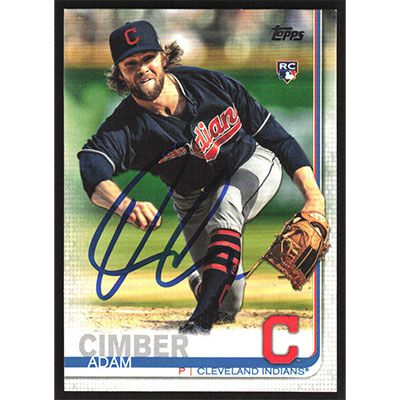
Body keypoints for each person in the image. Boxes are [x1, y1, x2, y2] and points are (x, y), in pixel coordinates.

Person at [78, 21, 326, 334]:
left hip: (251, 165)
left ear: (163, 57)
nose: (142, 69)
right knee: (228, 302)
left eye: (148, 58)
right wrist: (123, 204)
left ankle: (200, 319)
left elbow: (279, 138)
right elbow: (91, 164)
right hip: (191, 198)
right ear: (120, 74)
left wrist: (313, 196)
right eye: (130, 64)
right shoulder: (127, 125)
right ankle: (209, 286)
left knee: (226, 204)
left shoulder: (211, 84)